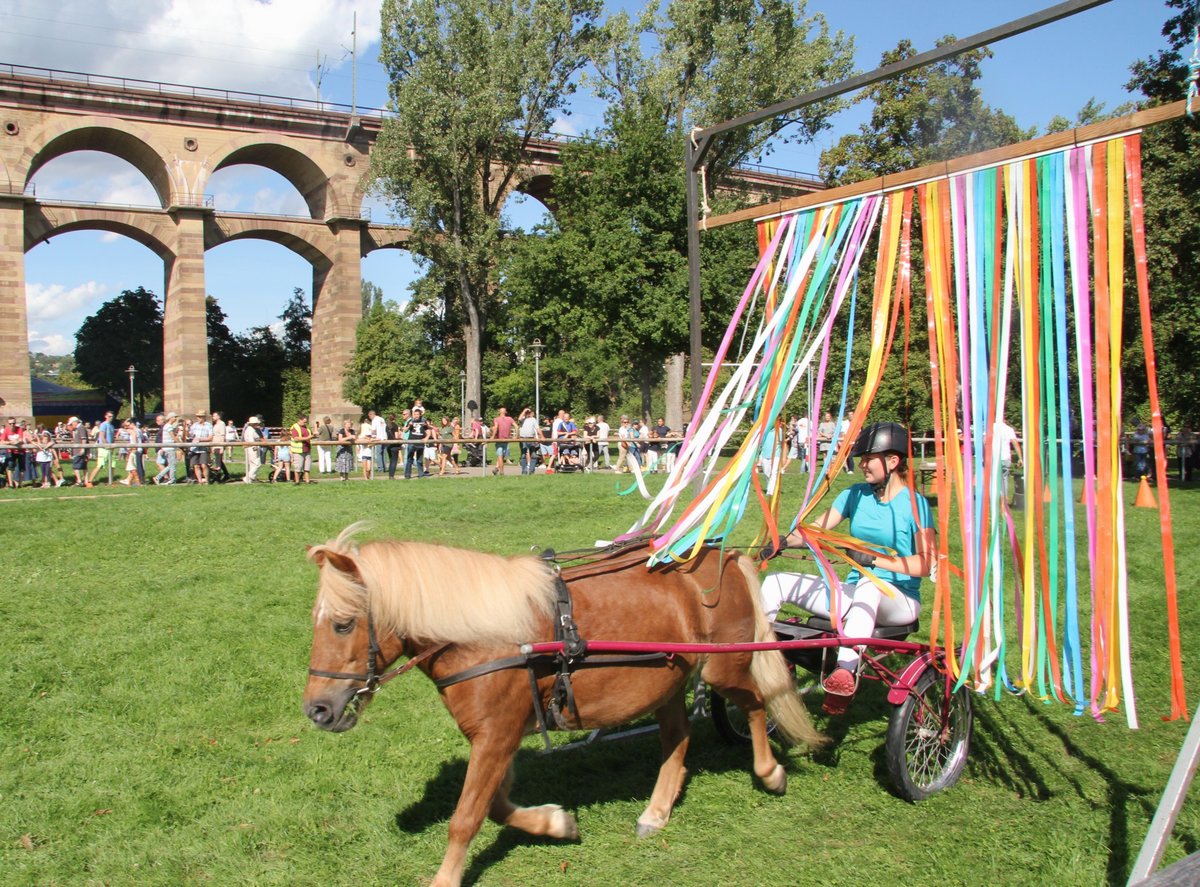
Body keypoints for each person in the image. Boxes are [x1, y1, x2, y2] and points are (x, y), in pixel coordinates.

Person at [760, 422, 934, 712]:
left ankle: (845, 671)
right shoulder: (854, 495)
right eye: (861, 458)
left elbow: (925, 563)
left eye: (868, 458)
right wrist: (783, 542)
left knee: (870, 584)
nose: (862, 464)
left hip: (900, 601)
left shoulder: (916, 505)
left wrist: (875, 560)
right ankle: (759, 656)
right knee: (776, 582)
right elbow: (816, 530)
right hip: (858, 594)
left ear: (893, 461)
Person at [88, 410, 116, 486]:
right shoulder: (103, 425)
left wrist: (112, 446)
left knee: (112, 465)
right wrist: (107, 445)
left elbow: (112, 438)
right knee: (100, 465)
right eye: (109, 416)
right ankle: (90, 481)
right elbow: (102, 437)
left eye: (112, 416)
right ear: (106, 416)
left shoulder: (112, 426)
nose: (111, 418)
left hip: (111, 448)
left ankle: (110, 481)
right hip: (103, 448)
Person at [403, 407, 432, 479]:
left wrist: (426, 438)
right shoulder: (411, 421)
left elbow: (428, 431)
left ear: (420, 415)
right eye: (415, 414)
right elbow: (405, 430)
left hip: (420, 443)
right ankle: (407, 475)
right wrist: (409, 426)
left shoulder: (423, 422)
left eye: (417, 414)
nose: (416, 416)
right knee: (409, 459)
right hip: (412, 442)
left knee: (419, 460)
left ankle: (421, 474)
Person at [490, 406, 516, 476]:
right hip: (506, 440)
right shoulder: (510, 419)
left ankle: (501, 472)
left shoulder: (496, 419)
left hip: (499, 439)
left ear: (499, 412)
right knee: (502, 455)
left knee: (500, 456)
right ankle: (496, 467)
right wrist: (516, 436)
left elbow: (495, 427)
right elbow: (516, 426)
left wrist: (492, 436)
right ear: (506, 412)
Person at [189, 410, 213, 484]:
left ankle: (206, 480)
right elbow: (190, 435)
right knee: (196, 466)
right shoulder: (194, 425)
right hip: (194, 448)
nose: (198, 418)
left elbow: (210, 437)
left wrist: (201, 439)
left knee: (204, 465)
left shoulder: (208, 425)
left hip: (204, 448)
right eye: (197, 417)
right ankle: (200, 481)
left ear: (204, 417)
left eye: (200, 417)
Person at [289, 414, 314, 484]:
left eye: (306, 422)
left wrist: (313, 435)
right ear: (299, 420)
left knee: (307, 467)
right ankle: (297, 481)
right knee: (298, 467)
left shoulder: (307, 427)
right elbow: (296, 438)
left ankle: (307, 481)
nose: (305, 423)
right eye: (304, 422)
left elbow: (310, 435)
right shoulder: (295, 427)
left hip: (307, 449)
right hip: (298, 451)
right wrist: (307, 438)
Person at [242, 416, 264, 482]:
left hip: (251, 448)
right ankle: (248, 477)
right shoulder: (251, 431)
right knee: (257, 464)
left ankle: (251, 479)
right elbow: (252, 441)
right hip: (253, 448)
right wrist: (255, 448)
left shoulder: (249, 429)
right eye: (256, 424)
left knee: (252, 465)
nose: (257, 425)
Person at [518, 408, 539, 475]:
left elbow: (537, 428)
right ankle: (524, 471)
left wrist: (541, 436)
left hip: (531, 439)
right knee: (523, 455)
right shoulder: (523, 419)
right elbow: (519, 419)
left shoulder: (533, 420)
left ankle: (531, 471)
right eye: (527, 412)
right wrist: (524, 410)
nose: (528, 413)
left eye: (529, 412)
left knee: (533, 455)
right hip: (523, 439)